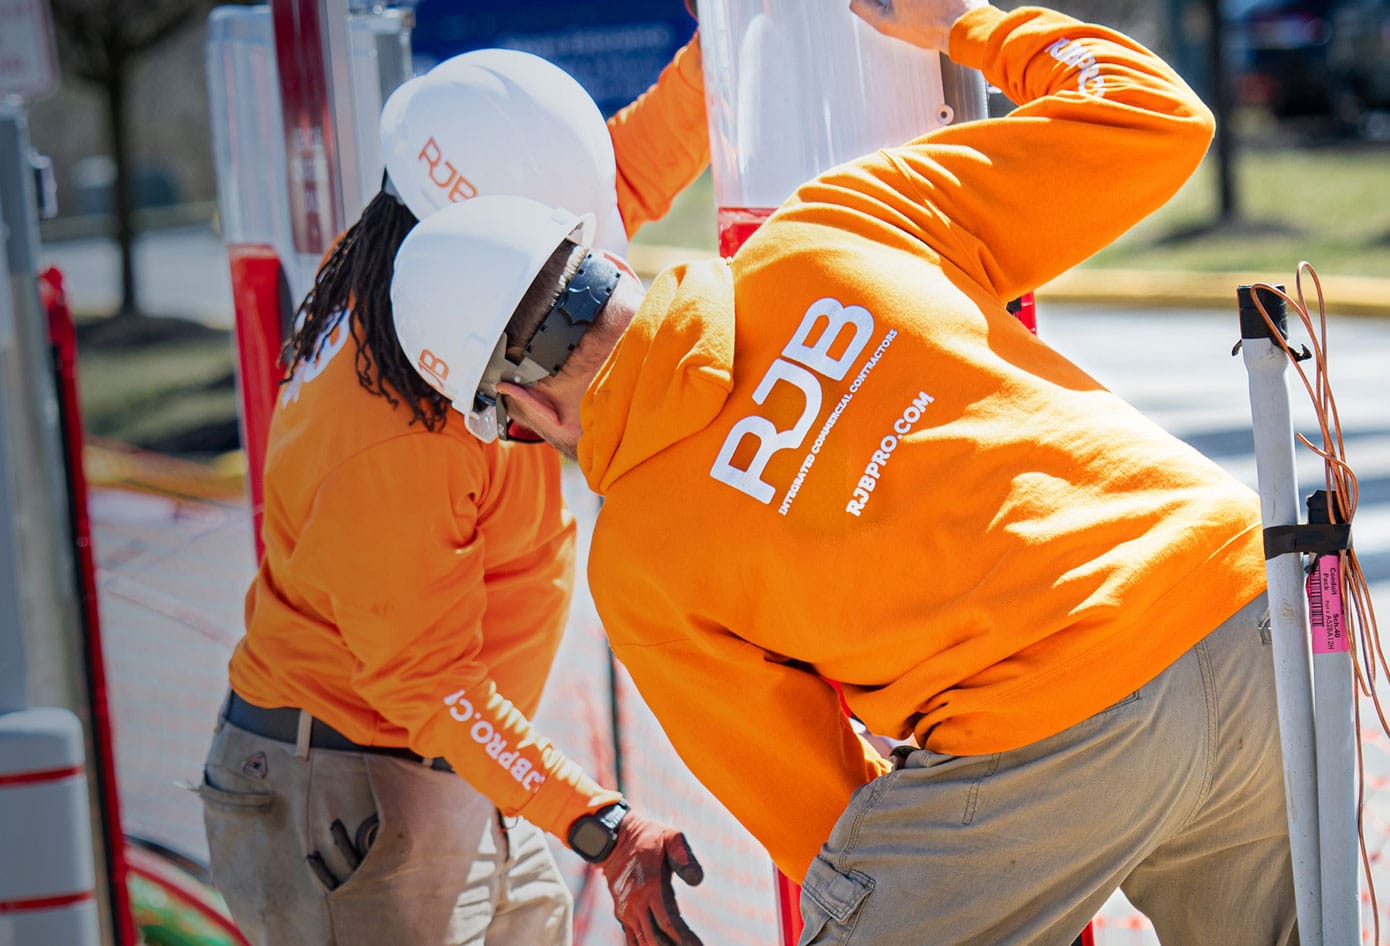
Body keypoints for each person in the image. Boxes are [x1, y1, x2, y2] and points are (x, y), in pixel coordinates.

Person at [388, 1, 1298, 943]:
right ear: (604, 260)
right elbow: (1156, 119)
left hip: (1047, 723)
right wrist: (963, 22)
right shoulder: (834, 226)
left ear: (523, 412)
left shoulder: (643, 569)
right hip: (1248, 604)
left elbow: (831, 824)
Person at [199, 32, 709, 946]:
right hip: (354, 786)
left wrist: (735, 40)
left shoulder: (436, 268)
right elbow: (426, 682)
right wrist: (598, 820)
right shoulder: (394, 433)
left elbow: (622, 175)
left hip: (435, 761)